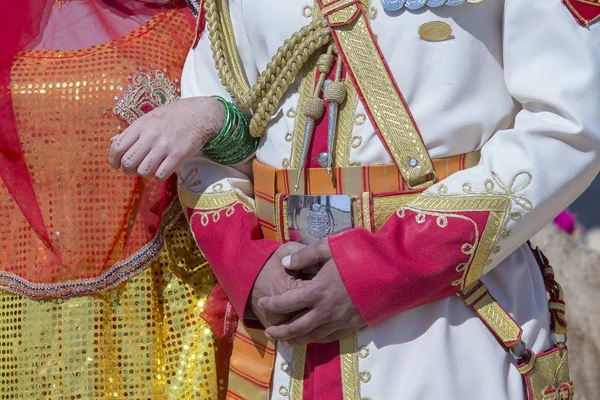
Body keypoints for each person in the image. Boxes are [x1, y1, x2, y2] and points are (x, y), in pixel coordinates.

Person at [110, 0, 600, 399]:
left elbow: (569, 126)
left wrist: (380, 269)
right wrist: (249, 266)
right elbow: (212, 130)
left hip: (453, 328)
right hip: (280, 337)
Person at [0, 1, 228, 398]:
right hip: (19, 321)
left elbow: (260, 132)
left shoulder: (209, 18)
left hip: (168, 311)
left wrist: (214, 117)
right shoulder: (17, 15)